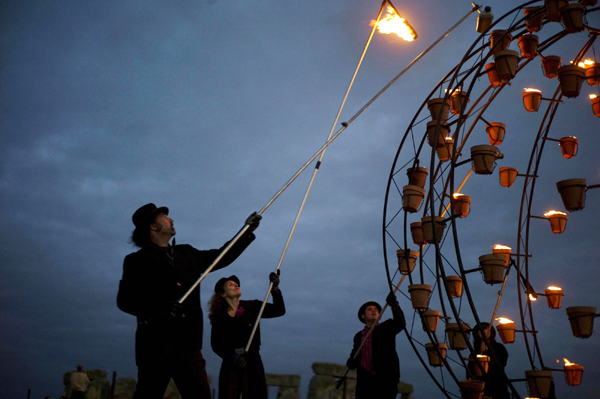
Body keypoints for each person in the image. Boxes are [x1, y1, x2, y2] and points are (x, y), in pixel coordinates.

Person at [117, 203, 261, 399]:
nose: (171, 219)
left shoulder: (186, 253)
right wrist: (160, 309)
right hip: (154, 348)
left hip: (188, 347)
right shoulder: (136, 260)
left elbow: (221, 256)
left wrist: (246, 232)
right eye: (165, 217)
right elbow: (125, 301)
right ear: (152, 226)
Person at [209, 273, 285, 399]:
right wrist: (233, 357)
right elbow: (216, 344)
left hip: (253, 364)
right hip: (231, 366)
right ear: (222, 294)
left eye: (236, 284)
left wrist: (275, 289)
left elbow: (279, 310)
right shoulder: (219, 317)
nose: (235, 285)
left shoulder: (253, 306)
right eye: (230, 285)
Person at [346, 292, 406, 399]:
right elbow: (356, 355)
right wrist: (351, 361)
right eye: (370, 309)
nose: (374, 310)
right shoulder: (358, 336)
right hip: (365, 382)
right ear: (363, 316)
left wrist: (394, 305)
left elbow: (400, 323)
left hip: (385, 379)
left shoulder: (387, 327)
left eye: (376, 309)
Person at [469, 323, 510, 399]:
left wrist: (488, 352)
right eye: (480, 329)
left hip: (498, 387)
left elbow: (501, 364)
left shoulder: (499, 348)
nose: (484, 331)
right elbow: (470, 371)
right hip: (480, 388)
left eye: (486, 329)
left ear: (491, 332)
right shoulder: (474, 353)